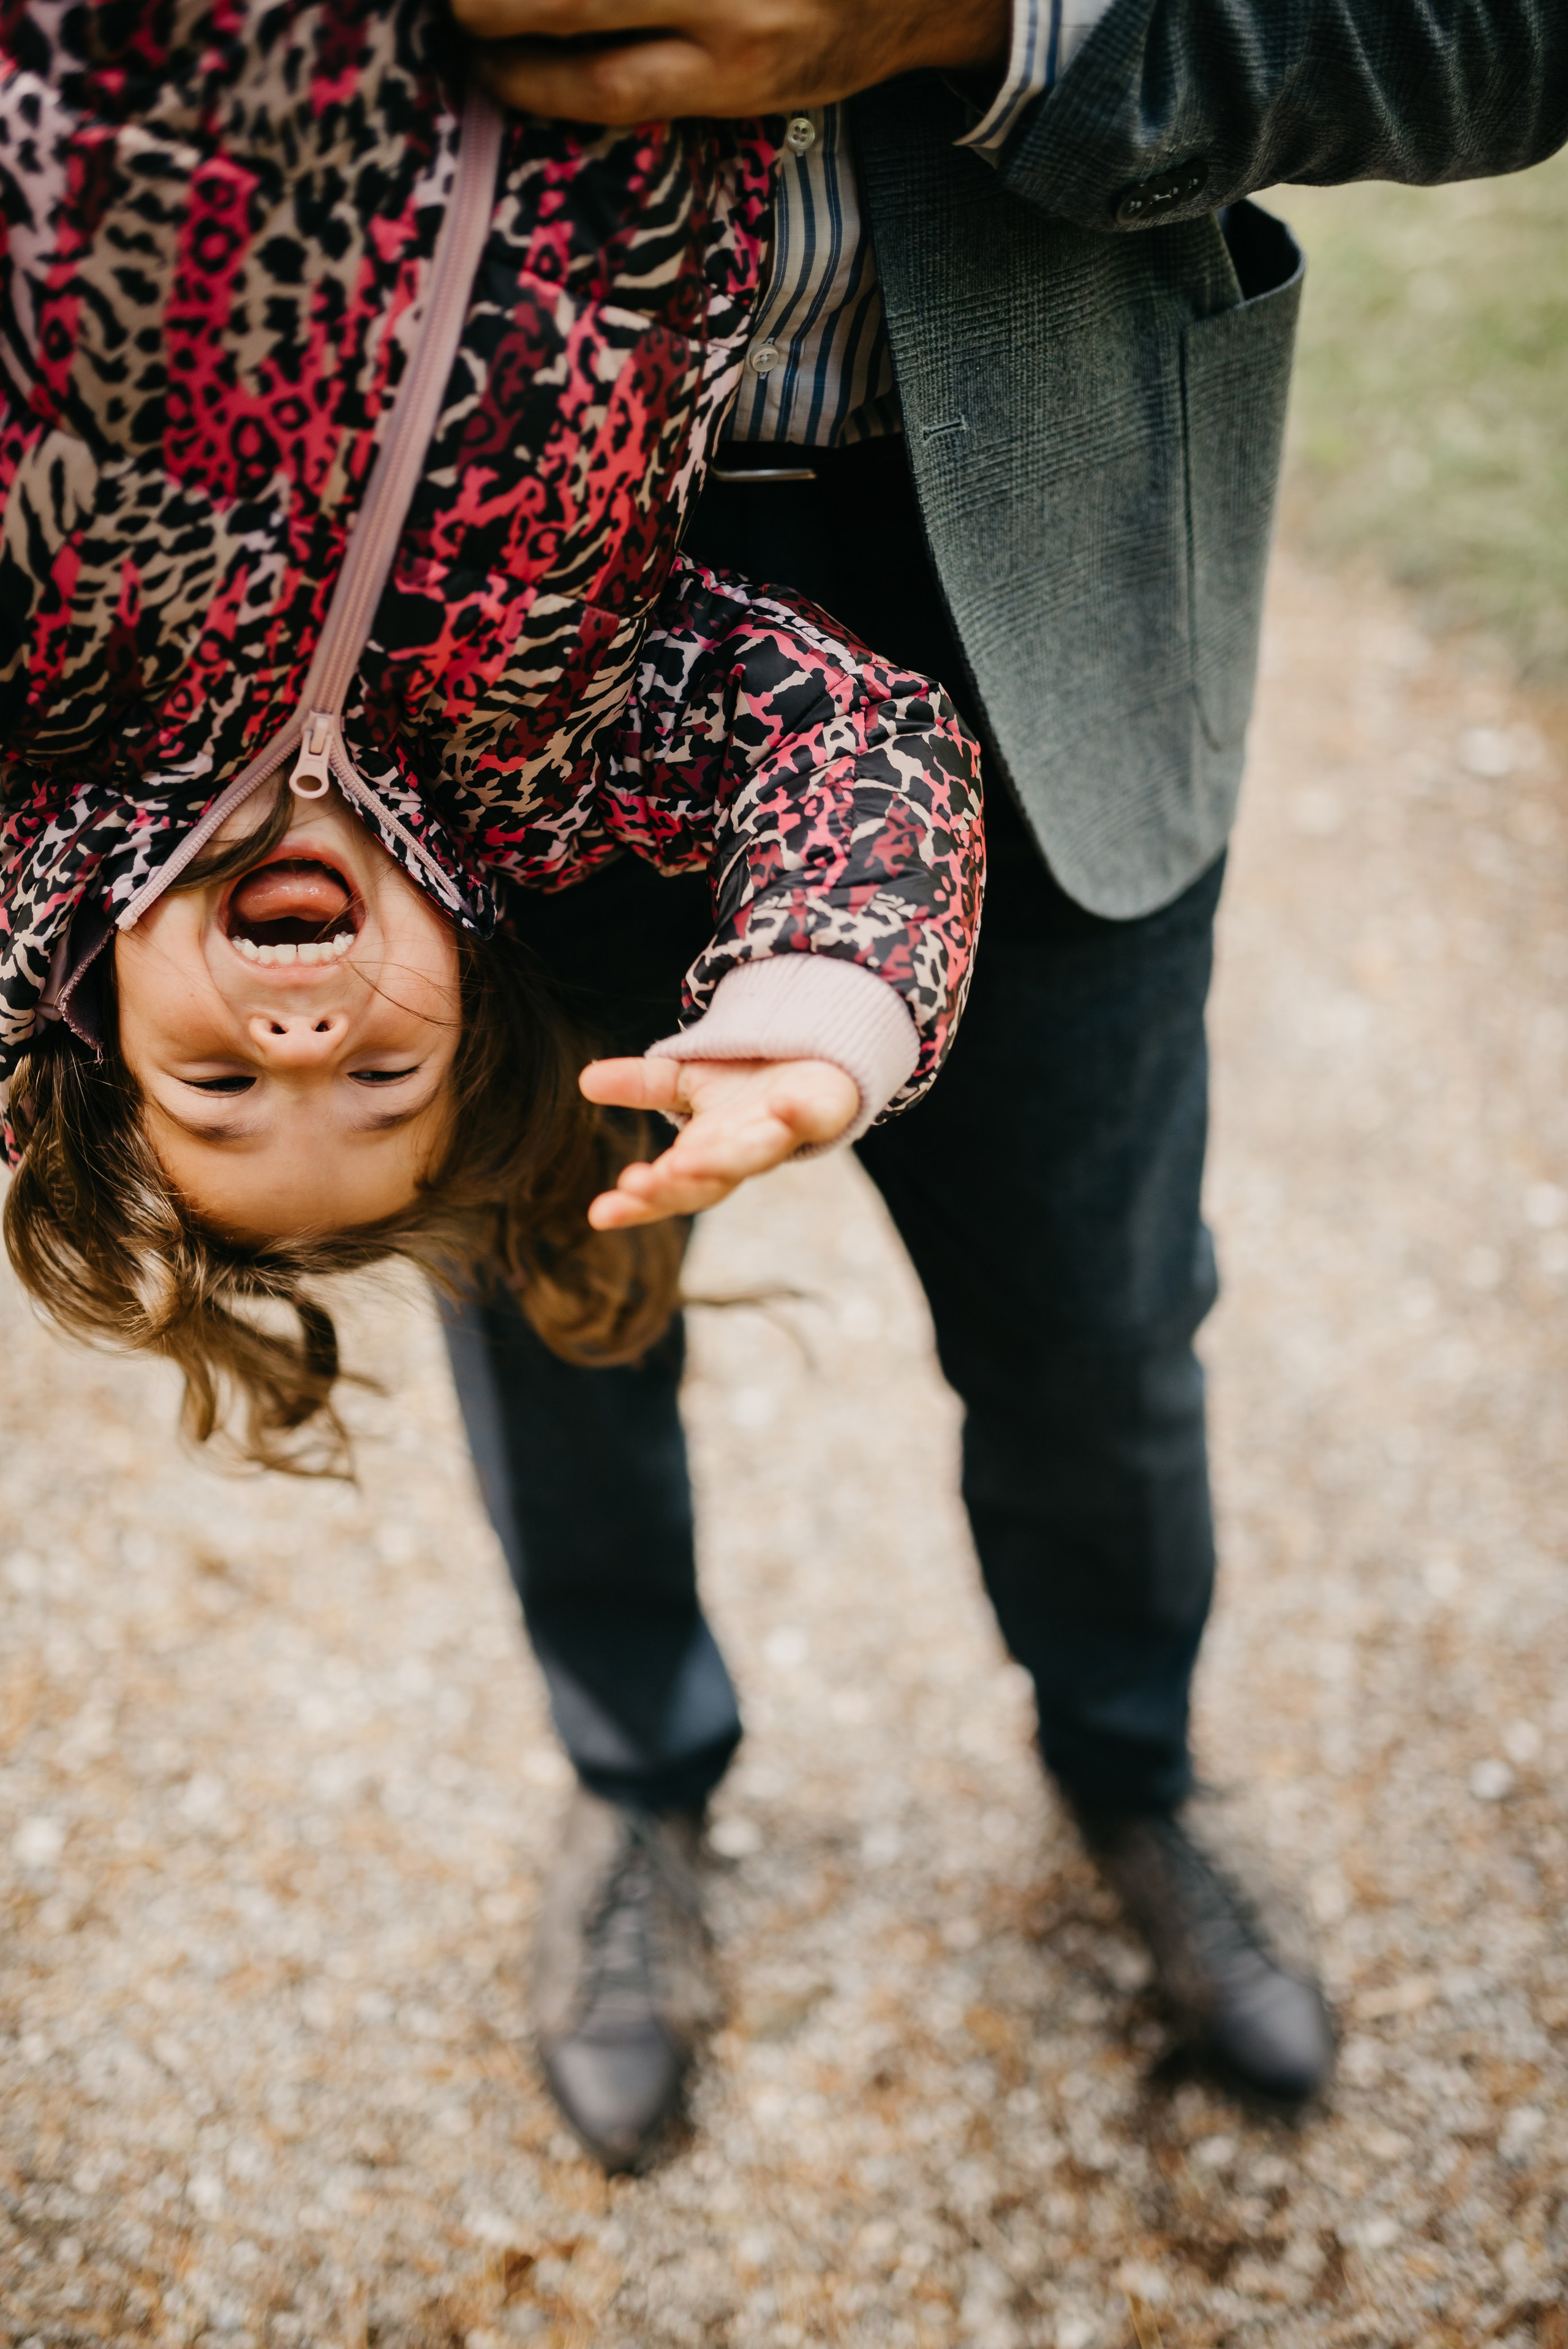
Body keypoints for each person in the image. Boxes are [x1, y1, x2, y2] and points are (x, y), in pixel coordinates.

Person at [441, 0, 1568, 2168]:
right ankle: (638, 1778)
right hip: (481, 647)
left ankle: (1133, 1761)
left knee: (1098, 1322)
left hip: (1034, 584)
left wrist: (987, 20)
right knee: (550, 1304)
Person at [0, 19, 981, 1468]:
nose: (302, 1042)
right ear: (463, 1000)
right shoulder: (544, 755)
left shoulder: (54, 708)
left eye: (220, 1090)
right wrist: (816, 1004)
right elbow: (846, 739)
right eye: (379, 1082)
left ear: (92, 1015)